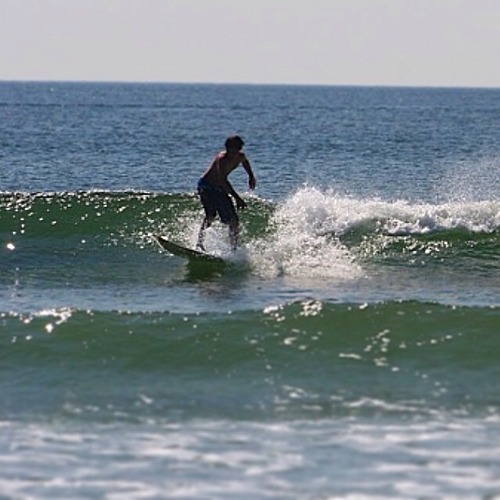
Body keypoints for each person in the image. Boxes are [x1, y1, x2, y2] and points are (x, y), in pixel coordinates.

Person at [196, 135, 256, 251]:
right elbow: (223, 181)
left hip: (218, 187)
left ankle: (233, 248)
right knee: (210, 215)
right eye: (231, 149)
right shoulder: (222, 159)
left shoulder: (240, 156)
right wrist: (237, 198)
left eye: (236, 149)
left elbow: (244, 161)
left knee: (234, 220)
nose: (233, 152)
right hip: (206, 186)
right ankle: (199, 244)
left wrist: (251, 176)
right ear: (227, 148)